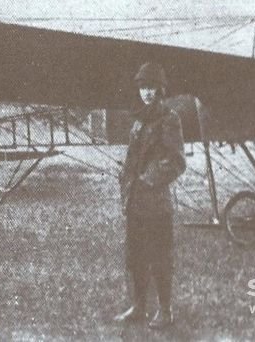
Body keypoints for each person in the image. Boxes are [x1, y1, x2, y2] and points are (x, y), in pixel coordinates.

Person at [114, 62, 186, 330]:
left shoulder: (169, 118)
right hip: (135, 202)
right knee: (136, 256)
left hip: (156, 203)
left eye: (151, 87)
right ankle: (139, 306)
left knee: (159, 257)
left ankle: (165, 311)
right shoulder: (139, 119)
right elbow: (132, 158)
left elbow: (176, 160)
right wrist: (127, 181)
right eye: (143, 87)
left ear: (161, 89)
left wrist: (147, 179)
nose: (146, 92)